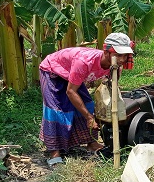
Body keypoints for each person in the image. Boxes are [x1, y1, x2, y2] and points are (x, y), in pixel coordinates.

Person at [39, 32, 134, 167]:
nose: (122, 60)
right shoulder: (84, 62)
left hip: (71, 74)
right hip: (52, 69)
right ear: (106, 52)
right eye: (118, 55)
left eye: (125, 56)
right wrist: (89, 118)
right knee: (55, 110)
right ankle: (54, 152)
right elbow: (71, 91)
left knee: (88, 104)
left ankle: (91, 142)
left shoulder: (115, 66)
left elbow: (110, 87)